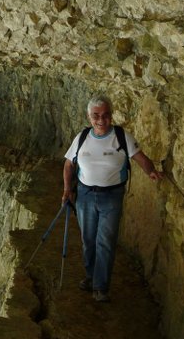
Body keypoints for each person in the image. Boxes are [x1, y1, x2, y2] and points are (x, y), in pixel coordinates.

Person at [62, 94, 163, 303]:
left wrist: (151, 171)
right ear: (89, 116)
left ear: (112, 115)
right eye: (96, 115)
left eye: (106, 115)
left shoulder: (121, 136)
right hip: (85, 195)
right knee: (88, 240)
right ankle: (91, 277)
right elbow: (69, 164)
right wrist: (66, 189)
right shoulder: (82, 137)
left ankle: (100, 286)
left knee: (105, 241)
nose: (101, 120)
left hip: (112, 197)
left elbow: (139, 157)